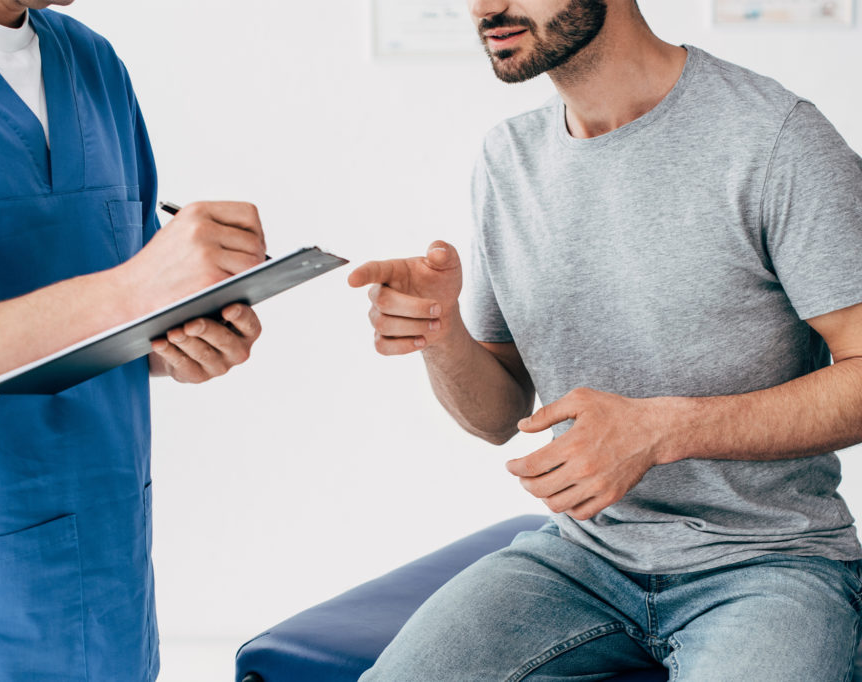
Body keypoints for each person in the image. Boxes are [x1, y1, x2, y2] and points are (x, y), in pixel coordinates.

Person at [349, 0, 862, 678]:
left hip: (771, 562)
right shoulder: (510, 158)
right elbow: (499, 415)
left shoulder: (774, 137)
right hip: (582, 559)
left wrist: (662, 429)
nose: (485, 7)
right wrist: (443, 338)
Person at [0, 0, 267, 679]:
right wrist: (134, 292)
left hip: (108, 597)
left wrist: (176, 337)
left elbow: (100, 313)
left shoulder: (91, 65)